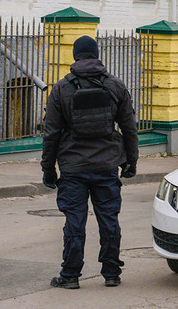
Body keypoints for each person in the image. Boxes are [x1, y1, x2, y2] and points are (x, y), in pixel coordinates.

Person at [41, 35, 139, 289]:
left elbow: (51, 134)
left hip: (73, 167)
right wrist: (131, 162)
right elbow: (129, 128)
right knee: (109, 219)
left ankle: (71, 275)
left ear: (76, 56)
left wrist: (48, 170)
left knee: (75, 220)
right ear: (96, 55)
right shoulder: (115, 86)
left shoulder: (62, 88)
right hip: (107, 164)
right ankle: (111, 273)